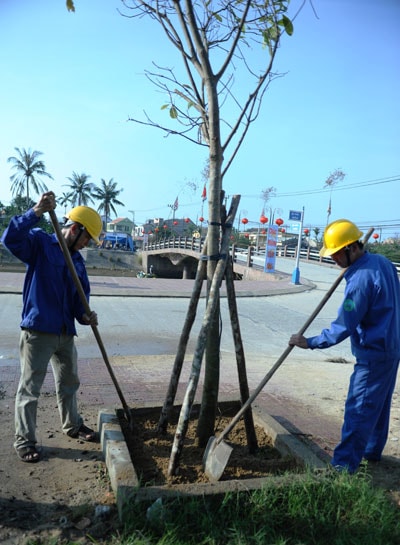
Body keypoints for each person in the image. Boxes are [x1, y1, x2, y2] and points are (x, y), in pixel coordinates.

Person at [289, 219, 400, 474]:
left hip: (373, 353)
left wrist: (310, 342)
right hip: (392, 348)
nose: (334, 260)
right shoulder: (382, 262)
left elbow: (343, 326)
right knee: (379, 404)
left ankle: (342, 467)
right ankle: (371, 451)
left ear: (351, 248)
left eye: (336, 254)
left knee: (359, 408)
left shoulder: (359, 281)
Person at [1, 191, 102, 463]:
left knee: (69, 381)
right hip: (38, 332)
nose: (86, 244)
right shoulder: (40, 245)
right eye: (86, 238)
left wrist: (85, 316)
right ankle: (25, 441)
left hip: (65, 333)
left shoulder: (78, 262)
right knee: (30, 388)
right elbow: (10, 239)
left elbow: (80, 301)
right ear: (75, 229)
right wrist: (35, 212)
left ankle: (72, 425)